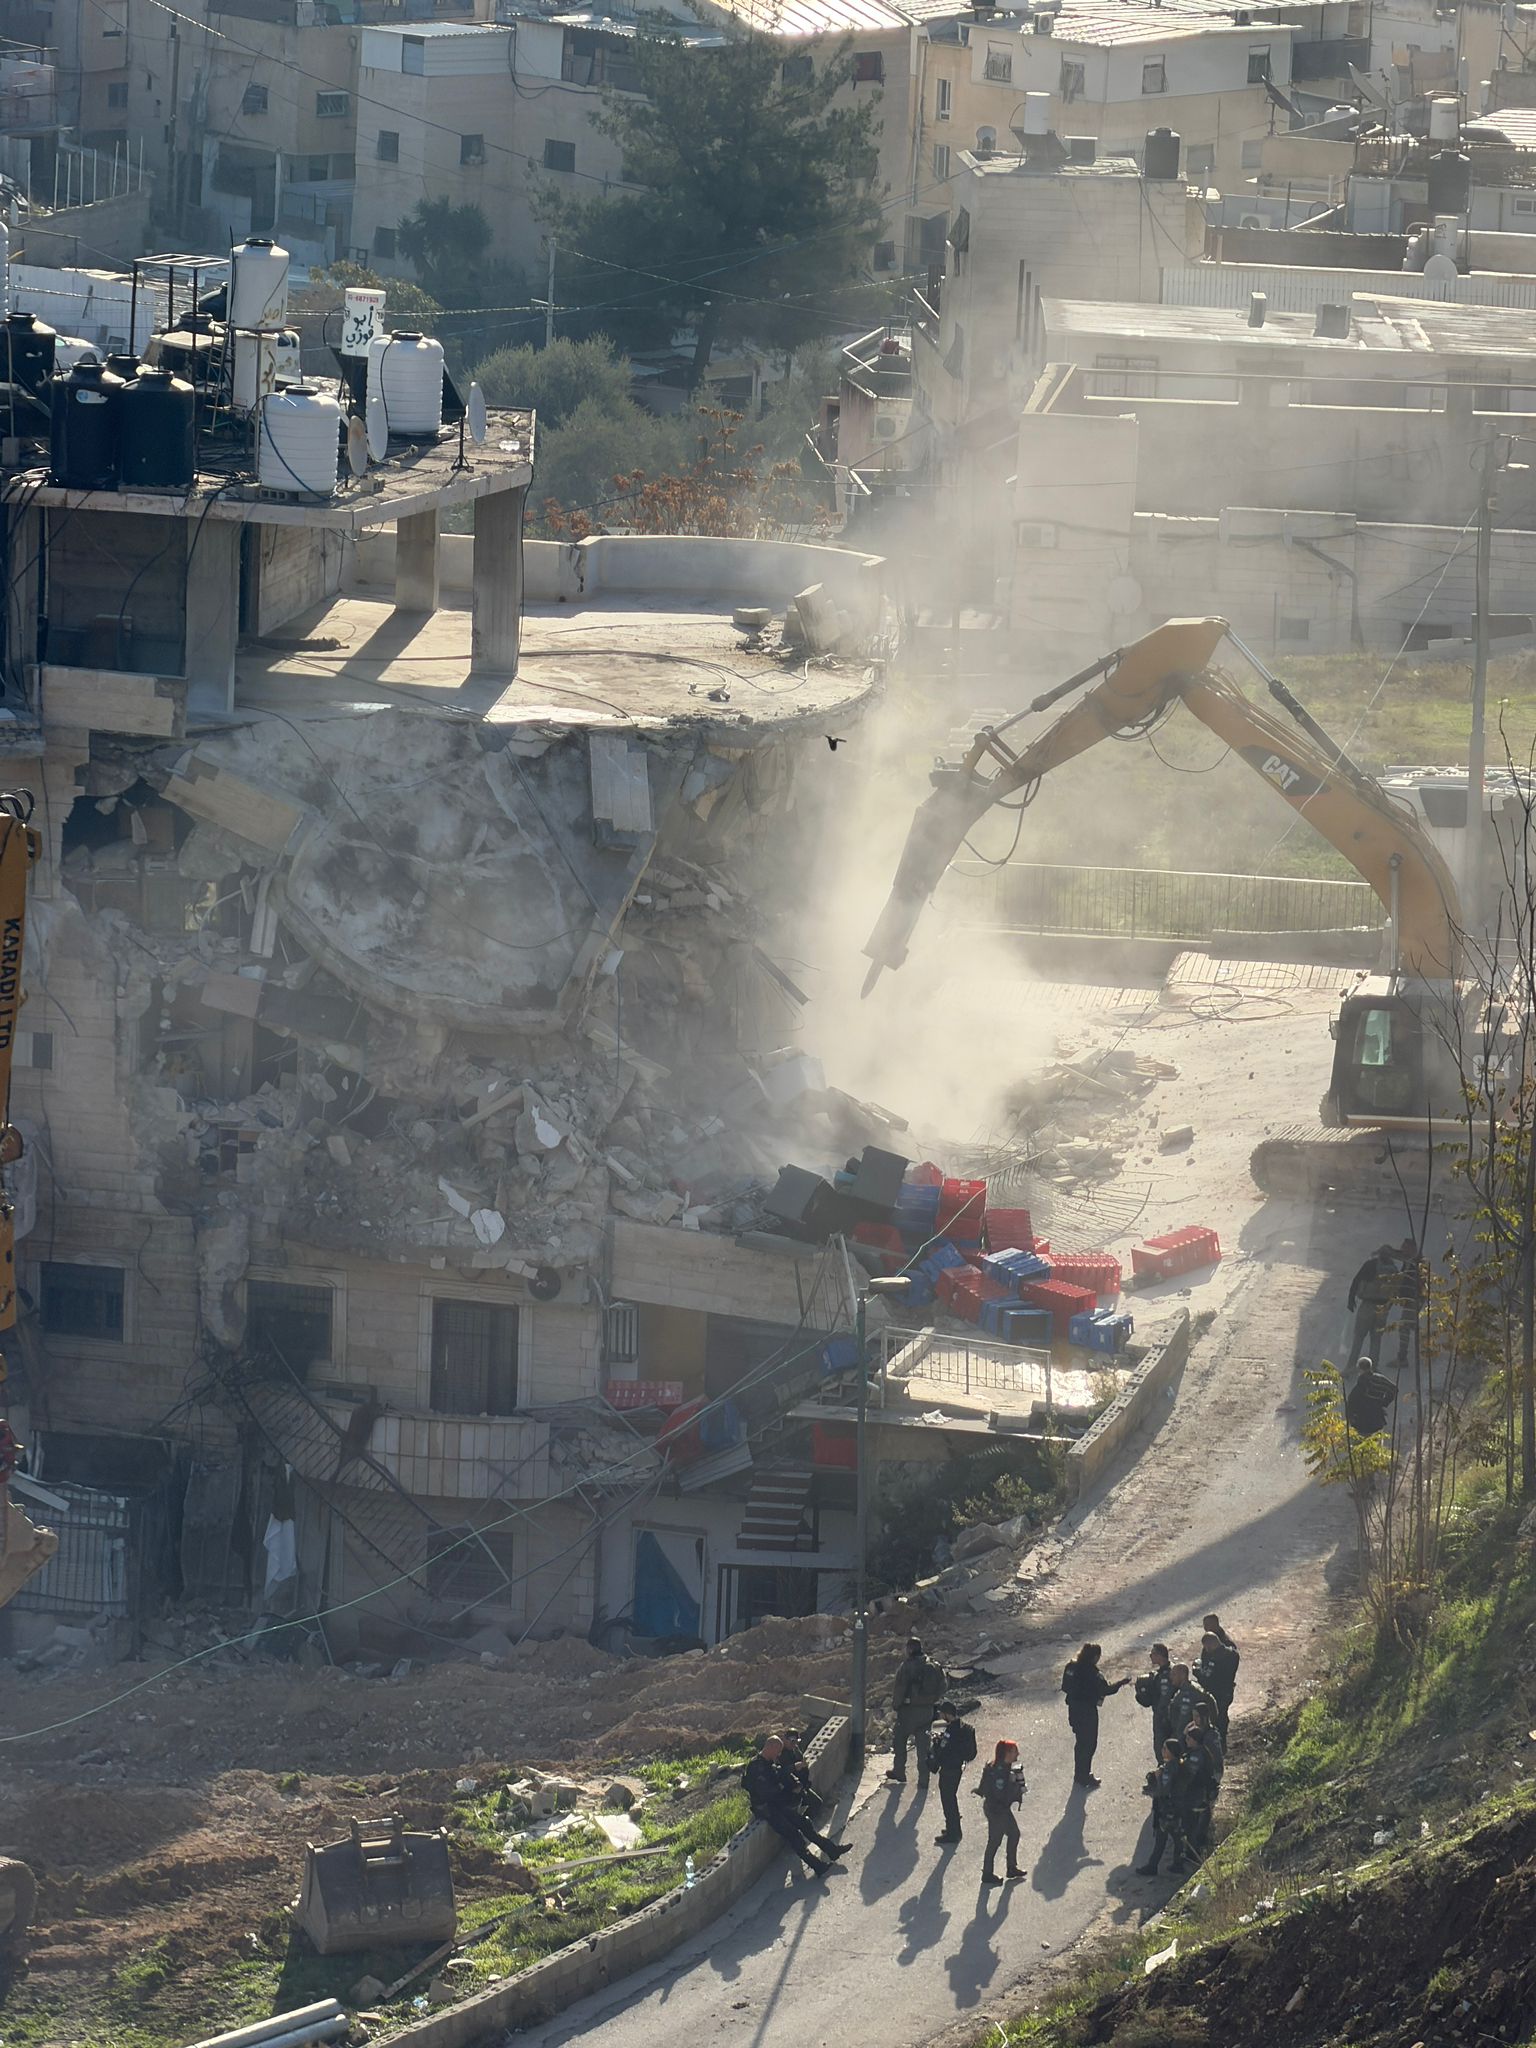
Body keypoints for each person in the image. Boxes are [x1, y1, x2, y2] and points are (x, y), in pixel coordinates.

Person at [742, 1736, 850, 1878]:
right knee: (794, 1835)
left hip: (777, 1804)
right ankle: (817, 1866)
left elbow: (780, 1774)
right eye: (777, 1751)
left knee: (805, 1824)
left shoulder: (769, 1763)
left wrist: (793, 1783)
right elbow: (767, 1792)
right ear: (771, 1747)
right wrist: (785, 1789)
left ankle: (832, 1850)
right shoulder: (756, 1767)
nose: (778, 1755)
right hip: (766, 1808)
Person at [1061, 1641, 1131, 1790]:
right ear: (1094, 1657)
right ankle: (1084, 1775)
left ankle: (1079, 1774)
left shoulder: (1071, 1666)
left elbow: (1065, 1686)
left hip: (1073, 1709)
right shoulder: (1093, 1673)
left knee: (1080, 1743)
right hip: (1087, 1711)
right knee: (1089, 1744)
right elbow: (1105, 1690)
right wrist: (1120, 1683)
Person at [887, 1635, 948, 1788]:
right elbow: (944, 1685)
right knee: (923, 1747)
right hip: (927, 1711)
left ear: (910, 1649)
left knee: (900, 1739)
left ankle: (899, 1771)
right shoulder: (933, 1665)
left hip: (908, 1712)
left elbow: (899, 1689)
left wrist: (896, 1706)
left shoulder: (906, 1667)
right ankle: (923, 1780)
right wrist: (933, 1699)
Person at [976, 1738, 1026, 1885]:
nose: (1018, 1753)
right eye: (1015, 1751)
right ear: (1008, 1753)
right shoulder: (1000, 1772)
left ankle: (1011, 1867)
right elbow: (1001, 1795)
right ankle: (987, 1874)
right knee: (994, 1841)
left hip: (999, 1809)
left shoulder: (1004, 1768)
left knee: (1014, 1834)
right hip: (997, 1810)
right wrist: (1016, 1786)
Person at [1136, 1738, 1187, 1877]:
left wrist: (1156, 1780)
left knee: (1163, 1837)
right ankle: (1177, 1863)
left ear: (1171, 1752)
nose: (1162, 1750)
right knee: (1175, 1837)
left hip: (1168, 1809)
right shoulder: (1178, 1764)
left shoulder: (1170, 1769)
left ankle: (1154, 1866)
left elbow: (1163, 1790)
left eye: (1165, 1748)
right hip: (1176, 1808)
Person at [930, 1698, 979, 1846]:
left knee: (948, 1801)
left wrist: (937, 1742)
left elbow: (943, 1751)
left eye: (942, 1713)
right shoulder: (964, 1728)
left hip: (949, 1770)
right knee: (951, 1798)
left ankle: (953, 1833)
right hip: (957, 1768)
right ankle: (953, 1828)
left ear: (947, 1714)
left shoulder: (951, 1732)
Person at [1175, 1725, 1218, 1859]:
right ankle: (1192, 1851)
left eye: (1188, 1738)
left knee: (1191, 1826)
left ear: (1195, 1740)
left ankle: (1193, 1854)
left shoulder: (1196, 1756)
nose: (1186, 1740)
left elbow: (1189, 1774)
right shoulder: (1196, 1752)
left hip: (1196, 1795)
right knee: (1191, 1825)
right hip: (1196, 1793)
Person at [1195, 1620, 1240, 1740]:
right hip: (1227, 1690)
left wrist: (1197, 1670)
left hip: (1217, 1693)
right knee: (1223, 1716)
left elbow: (1206, 1679)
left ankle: (1218, 1743)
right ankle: (1222, 1740)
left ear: (1210, 1645)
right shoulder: (1232, 1654)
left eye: (1206, 1647)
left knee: (1215, 1719)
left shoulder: (1215, 1660)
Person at [1135, 1644, 1174, 1759]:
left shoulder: (1166, 1675)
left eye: (1153, 1654)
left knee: (1162, 1746)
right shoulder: (1161, 1673)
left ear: (1160, 1656)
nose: (1150, 1656)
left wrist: (1161, 1716)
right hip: (1163, 1715)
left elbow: (1165, 1699)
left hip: (1164, 1717)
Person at [1346, 1356, 1398, 1438]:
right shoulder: (1380, 1378)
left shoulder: (1362, 1382)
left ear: (1360, 1369)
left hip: (1363, 1420)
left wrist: (1350, 1417)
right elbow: (1394, 1388)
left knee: (1363, 1443)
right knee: (1376, 1442)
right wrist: (1385, 1402)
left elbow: (1351, 1400)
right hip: (1378, 1418)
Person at [1166, 1663, 1216, 1746]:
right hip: (1182, 1737)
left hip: (1192, 1740)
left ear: (1182, 1675)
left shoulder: (1194, 1692)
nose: (1171, 1677)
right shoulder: (1180, 1692)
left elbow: (1211, 1706)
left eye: (1174, 1674)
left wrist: (1207, 1727)